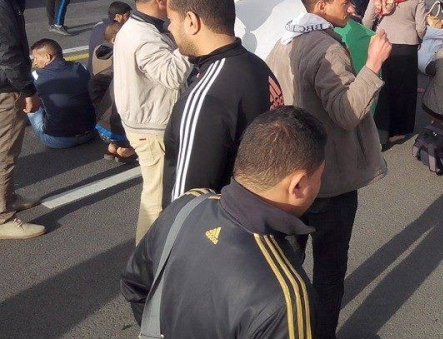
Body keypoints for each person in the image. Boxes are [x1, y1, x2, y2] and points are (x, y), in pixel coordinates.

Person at [121, 107, 326, 339]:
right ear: (297, 185)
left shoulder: (187, 206)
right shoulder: (287, 298)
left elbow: (134, 284)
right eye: (319, 176)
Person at [266, 0, 391, 339]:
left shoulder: (286, 41)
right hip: (329, 180)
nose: (352, 9)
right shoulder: (328, 48)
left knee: (287, 266)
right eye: (345, 2)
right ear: (321, 6)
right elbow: (347, 111)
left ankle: (286, 327)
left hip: (293, 178)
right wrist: (373, 64)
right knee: (329, 273)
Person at [164, 0, 284, 201]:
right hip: (260, 213)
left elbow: (184, 205)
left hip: (220, 229)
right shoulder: (257, 66)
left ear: (191, 21)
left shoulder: (206, 98)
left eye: (171, 20)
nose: (169, 28)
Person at [114, 0, 192, 243]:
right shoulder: (144, 37)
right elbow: (171, 75)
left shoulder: (137, 27)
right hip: (152, 127)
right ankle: (145, 265)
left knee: (158, 191)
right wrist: (189, 40)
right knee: (156, 197)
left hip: (144, 121)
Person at [0, 0, 44, 240]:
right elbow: (9, 50)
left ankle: (8, 198)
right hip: (5, 86)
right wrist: (28, 91)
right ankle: (3, 216)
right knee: (5, 151)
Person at [363, 0, 426, 145]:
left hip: (383, 41)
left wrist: (372, 37)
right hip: (407, 45)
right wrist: (419, 39)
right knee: (405, 88)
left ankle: (382, 132)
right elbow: (421, 25)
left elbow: (367, 18)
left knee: (383, 87)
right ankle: (401, 127)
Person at [28, 38, 95, 149]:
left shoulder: (36, 75)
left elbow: (32, 101)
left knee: (30, 100)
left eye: (35, 58)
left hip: (58, 140)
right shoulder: (80, 67)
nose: (34, 62)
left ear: (47, 57)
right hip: (89, 133)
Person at [88, 21, 136, 162]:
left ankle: (113, 147)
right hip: (117, 126)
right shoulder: (120, 61)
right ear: (116, 40)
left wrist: (99, 107)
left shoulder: (98, 51)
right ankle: (125, 150)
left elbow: (94, 84)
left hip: (102, 124)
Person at [87, 1, 131, 75]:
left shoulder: (98, 26)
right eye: (127, 16)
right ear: (118, 17)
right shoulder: (119, 31)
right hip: (107, 76)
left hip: (91, 71)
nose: (130, 18)